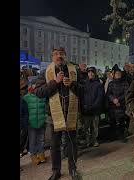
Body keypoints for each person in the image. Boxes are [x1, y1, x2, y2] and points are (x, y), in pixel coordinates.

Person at [35, 48, 84, 180]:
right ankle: (56, 171)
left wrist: (72, 85)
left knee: (72, 144)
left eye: (61, 54)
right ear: (52, 57)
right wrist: (55, 82)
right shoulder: (46, 72)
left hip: (71, 114)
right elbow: (39, 92)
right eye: (56, 54)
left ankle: (73, 169)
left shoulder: (74, 70)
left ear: (65, 56)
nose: (59, 56)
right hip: (53, 116)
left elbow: (84, 91)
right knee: (55, 146)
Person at [23, 78, 47, 165]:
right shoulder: (26, 97)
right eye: (33, 85)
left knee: (41, 139)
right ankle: (33, 155)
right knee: (32, 140)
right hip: (31, 123)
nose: (34, 87)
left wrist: (45, 118)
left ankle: (41, 153)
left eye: (36, 85)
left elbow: (45, 109)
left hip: (41, 122)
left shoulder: (42, 96)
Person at [80, 67, 105, 147]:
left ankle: (94, 140)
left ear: (95, 73)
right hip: (86, 110)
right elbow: (82, 96)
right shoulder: (85, 84)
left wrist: (93, 106)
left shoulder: (98, 84)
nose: (90, 74)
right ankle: (87, 141)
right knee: (86, 128)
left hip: (94, 110)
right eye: (89, 72)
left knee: (95, 127)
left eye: (92, 72)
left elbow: (99, 97)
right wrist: (84, 105)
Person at [106, 67, 130, 142]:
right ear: (114, 75)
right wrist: (113, 99)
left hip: (121, 105)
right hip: (112, 105)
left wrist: (118, 100)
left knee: (121, 122)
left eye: (119, 73)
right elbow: (108, 93)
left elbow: (126, 94)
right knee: (112, 121)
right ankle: (113, 136)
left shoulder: (125, 83)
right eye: (116, 73)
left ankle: (121, 135)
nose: (118, 75)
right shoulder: (111, 83)